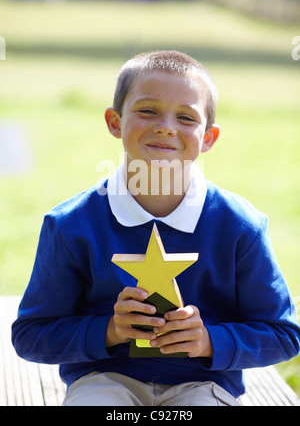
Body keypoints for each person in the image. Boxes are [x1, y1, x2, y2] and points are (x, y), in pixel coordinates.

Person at [12, 51, 300, 406]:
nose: (166, 126)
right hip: (102, 381)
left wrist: (209, 340)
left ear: (208, 137)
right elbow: (30, 335)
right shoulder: (69, 225)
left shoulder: (241, 226)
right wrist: (109, 330)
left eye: (185, 117)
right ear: (114, 122)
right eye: (147, 110)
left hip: (204, 387)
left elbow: (284, 335)